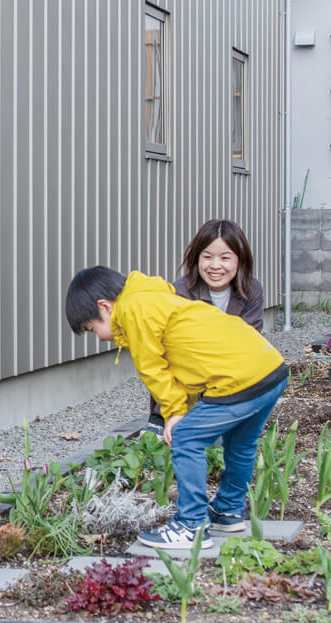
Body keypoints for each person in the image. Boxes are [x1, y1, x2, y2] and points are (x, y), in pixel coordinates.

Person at [67, 265, 288, 551]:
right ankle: (228, 510)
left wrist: (174, 413)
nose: (98, 336)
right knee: (240, 444)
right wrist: (184, 408)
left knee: (186, 438)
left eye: (92, 328)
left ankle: (192, 525)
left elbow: (153, 369)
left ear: (105, 307)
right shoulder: (154, 299)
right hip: (269, 367)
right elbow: (187, 362)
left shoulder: (133, 311)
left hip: (239, 379)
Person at [145, 219, 267, 432]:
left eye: (225, 258)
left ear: (240, 260)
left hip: (231, 387)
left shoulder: (251, 289)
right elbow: (178, 354)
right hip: (186, 387)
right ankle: (161, 420)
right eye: (207, 257)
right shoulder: (180, 291)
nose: (215, 265)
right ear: (196, 258)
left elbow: (250, 343)